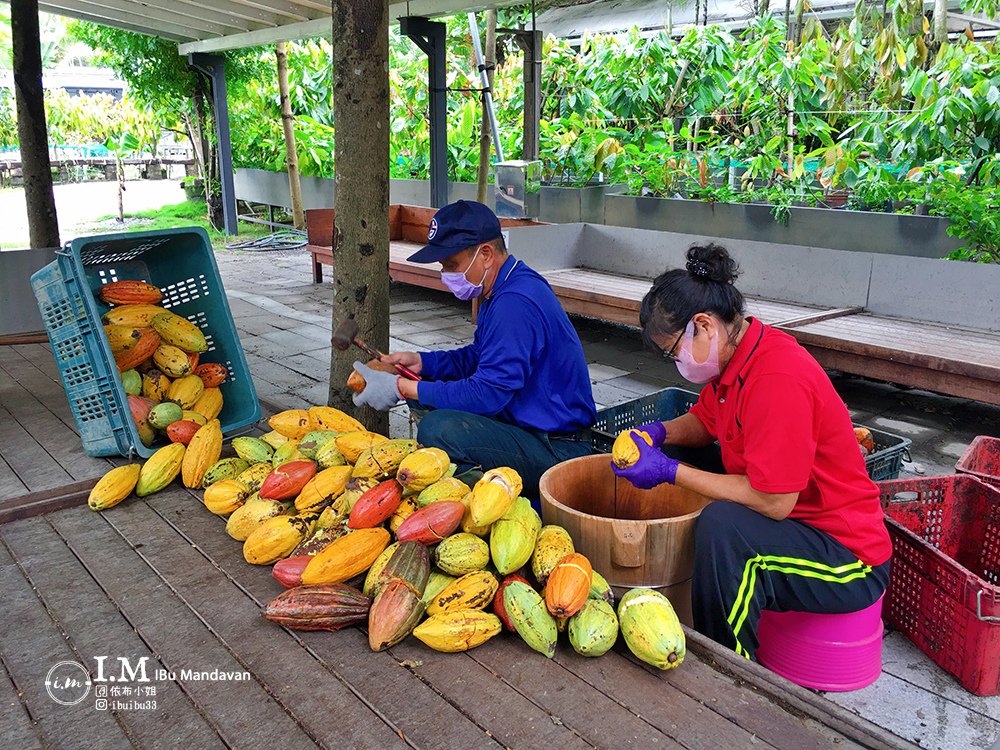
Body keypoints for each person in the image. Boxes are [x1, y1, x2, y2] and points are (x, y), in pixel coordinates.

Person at [612, 243, 891, 660]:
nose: (678, 364)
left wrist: (669, 471)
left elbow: (774, 501)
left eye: (674, 352)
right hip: (799, 525)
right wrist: (658, 433)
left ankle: (731, 669)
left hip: (846, 558)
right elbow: (705, 423)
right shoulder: (738, 360)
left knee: (724, 528)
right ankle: (701, 603)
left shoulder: (776, 378)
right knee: (696, 465)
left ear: (704, 326)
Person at [352, 200, 596, 496]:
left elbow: (488, 393)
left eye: (451, 265)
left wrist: (403, 388)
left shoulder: (513, 304)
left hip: (557, 448)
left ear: (485, 254)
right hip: (532, 429)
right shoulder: (508, 285)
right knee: (428, 388)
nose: (446, 274)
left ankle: (474, 502)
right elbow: (479, 357)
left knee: (438, 428)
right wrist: (421, 363)